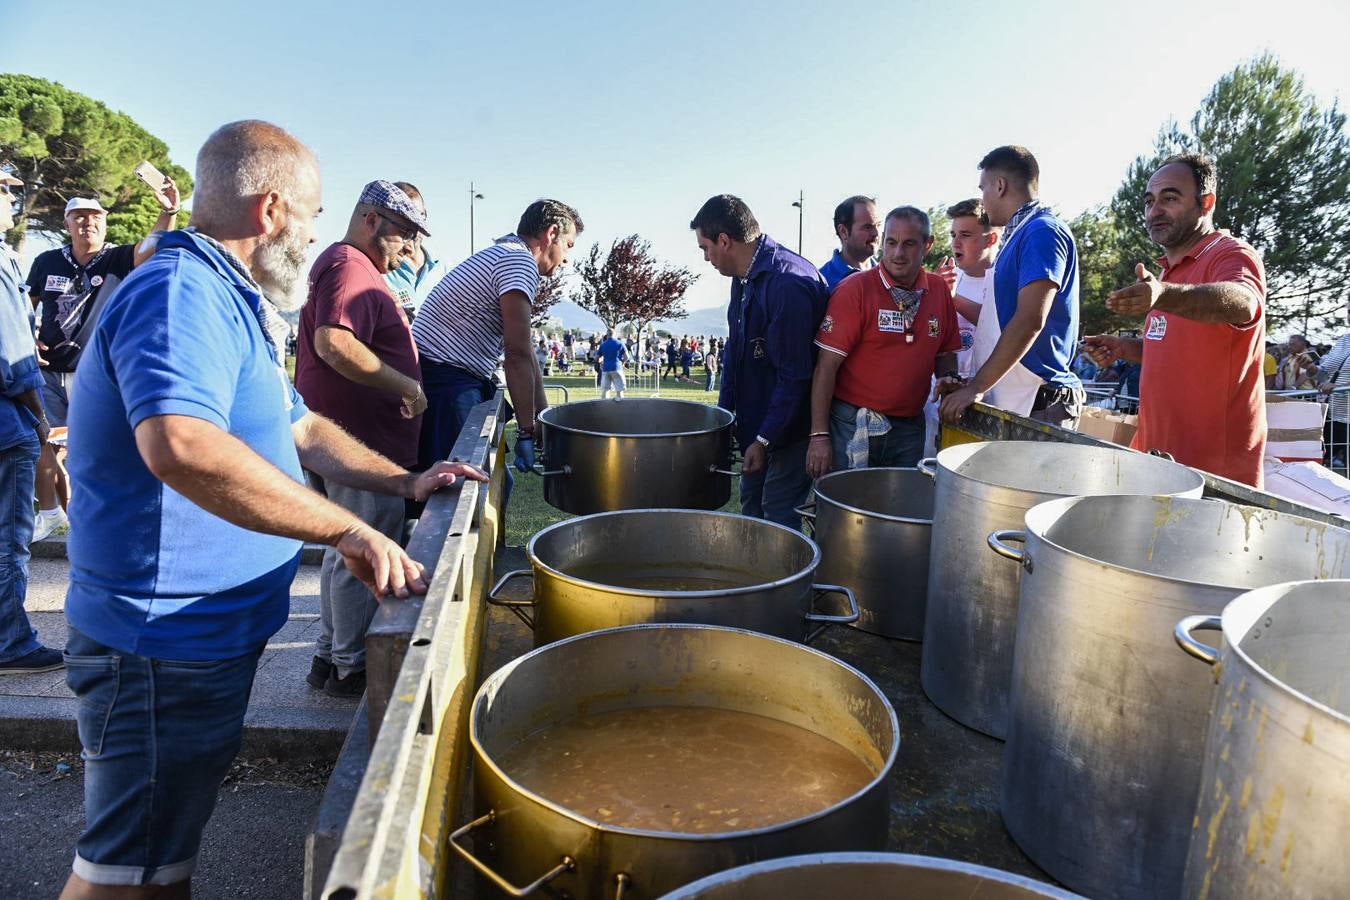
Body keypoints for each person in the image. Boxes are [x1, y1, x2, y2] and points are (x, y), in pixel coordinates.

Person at [57, 120, 485, 900]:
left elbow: (304, 429)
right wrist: (346, 527)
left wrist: (404, 482)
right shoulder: (180, 292)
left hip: (201, 643)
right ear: (271, 211)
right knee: (126, 875)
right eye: (314, 216)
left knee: (158, 861)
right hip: (159, 645)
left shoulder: (228, 297)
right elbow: (181, 446)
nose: (317, 234)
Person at [294, 179, 430, 697]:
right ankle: (352, 667)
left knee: (343, 551)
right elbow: (334, 342)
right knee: (366, 553)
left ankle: (330, 657)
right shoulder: (351, 265)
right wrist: (406, 386)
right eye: (403, 234)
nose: (410, 248)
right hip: (359, 444)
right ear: (371, 219)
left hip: (346, 439)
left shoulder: (348, 265)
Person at [1082, 153, 1267, 486]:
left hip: (1213, 479)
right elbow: (1175, 348)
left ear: (1206, 202)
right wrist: (1123, 347)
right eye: (1150, 201)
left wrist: (1164, 295)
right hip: (1157, 463)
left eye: (1170, 198)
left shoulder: (1230, 254)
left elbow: (1244, 302)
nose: (1155, 211)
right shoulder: (1168, 275)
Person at [25, 186, 181, 541]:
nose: (87, 224)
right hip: (48, 372)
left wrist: (169, 213)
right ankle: (52, 514)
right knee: (45, 444)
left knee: (94, 448)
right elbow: (25, 304)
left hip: (92, 374)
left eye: (95, 217)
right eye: (79, 217)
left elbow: (152, 246)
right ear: (67, 223)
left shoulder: (118, 258)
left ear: (105, 224)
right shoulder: (47, 260)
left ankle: (95, 519)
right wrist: (26, 335)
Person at [411, 199, 581, 473]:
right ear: (551, 234)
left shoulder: (506, 254)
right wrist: (526, 431)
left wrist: (541, 417)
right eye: (568, 245)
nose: (566, 258)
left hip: (443, 376)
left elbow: (525, 353)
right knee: (465, 488)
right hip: (445, 381)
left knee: (492, 483)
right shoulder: (519, 261)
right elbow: (516, 355)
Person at [691, 194, 827, 530]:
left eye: (705, 248)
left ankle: (785, 583)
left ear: (725, 241)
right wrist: (723, 423)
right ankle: (751, 581)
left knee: (778, 517)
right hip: (757, 426)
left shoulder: (787, 283)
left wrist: (765, 439)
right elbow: (735, 354)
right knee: (751, 509)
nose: (706, 258)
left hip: (790, 430)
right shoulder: (742, 277)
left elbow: (795, 376)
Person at [807, 207, 961, 476]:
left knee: (898, 509)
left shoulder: (938, 291)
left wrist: (948, 377)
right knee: (848, 508)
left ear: (928, 245)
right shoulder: (855, 289)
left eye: (909, 244)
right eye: (891, 242)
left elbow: (945, 353)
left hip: (910, 427)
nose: (898, 253)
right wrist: (819, 436)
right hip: (852, 423)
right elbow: (825, 367)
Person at [939, 146, 1084, 429]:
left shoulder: (1041, 230)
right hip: (1015, 398)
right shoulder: (1019, 234)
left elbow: (1030, 319)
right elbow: (999, 321)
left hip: (1039, 400)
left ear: (1000, 185)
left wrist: (977, 386)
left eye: (983, 189)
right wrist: (970, 382)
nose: (982, 199)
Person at [0, 170, 60, 676]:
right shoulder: (2, 259)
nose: (10, 197)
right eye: (3, 189)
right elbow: (13, 358)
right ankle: (11, 644)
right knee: (8, 539)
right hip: (5, 424)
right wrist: (40, 418)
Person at [383, 182, 449, 320]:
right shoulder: (380, 270)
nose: (414, 226)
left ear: (425, 214)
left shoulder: (444, 271)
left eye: (418, 216)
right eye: (405, 218)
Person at [818, 195, 881, 292]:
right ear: (843, 232)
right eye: (867, 227)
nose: (876, 233)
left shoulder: (888, 278)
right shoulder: (821, 283)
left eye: (878, 225)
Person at [597, 330, 627, 399]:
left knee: (605, 390)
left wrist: (601, 362)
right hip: (617, 368)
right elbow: (626, 357)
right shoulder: (620, 343)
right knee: (619, 390)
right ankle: (620, 406)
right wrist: (622, 363)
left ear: (607, 335)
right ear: (615, 334)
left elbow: (597, 358)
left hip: (606, 369)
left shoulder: (603, 345)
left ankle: (605, 406)